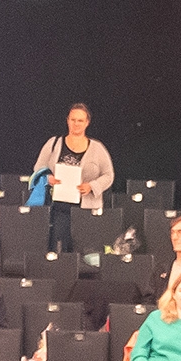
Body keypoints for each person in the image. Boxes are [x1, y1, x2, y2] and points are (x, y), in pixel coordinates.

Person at [33, 103, 114, 253]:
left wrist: (92, 186)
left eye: (80, 120)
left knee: (85, 251)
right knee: (59, 249)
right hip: (59, 208)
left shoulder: (97, 148)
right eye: (73, 119)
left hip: (86, 209)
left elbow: (109, 175)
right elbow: (38, 168)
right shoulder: (54, 143)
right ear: (67, 120)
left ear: (87, 123)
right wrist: (48, 178)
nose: (76, 124)